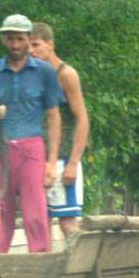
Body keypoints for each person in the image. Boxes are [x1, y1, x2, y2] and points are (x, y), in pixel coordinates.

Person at [0, 14, 63, 253]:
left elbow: (54, 117)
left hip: (31, 149)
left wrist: (52, 162)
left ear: (29, 39)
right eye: (10, 39)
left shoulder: (45, 72)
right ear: (3, 39)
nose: (15, 45)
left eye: (20, 39)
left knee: (36, 212)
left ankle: (40, 266)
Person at [30, 21, 90, 236]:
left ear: (50, 44)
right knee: (39, 223)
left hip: (63, 159)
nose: (31, 51)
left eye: (36, 45)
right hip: (36, 159)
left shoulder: (66, 74)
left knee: (67, 223)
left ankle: (78, 268)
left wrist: (73, 163)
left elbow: (82, 119)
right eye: (28, 46)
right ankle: (45, 269)